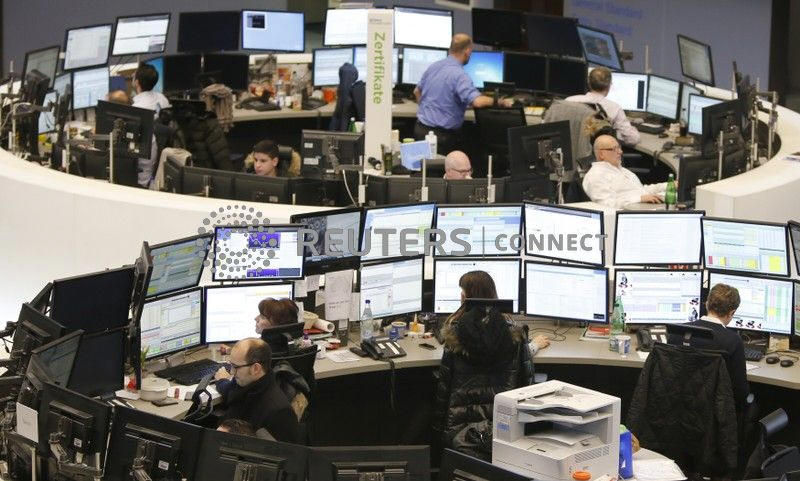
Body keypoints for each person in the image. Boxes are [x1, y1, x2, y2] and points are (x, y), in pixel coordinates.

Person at [434, 270, 538, 460]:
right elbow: (527, 383)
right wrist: (534, 346)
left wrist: (437, 431)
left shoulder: (454, 334)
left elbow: (443, 389)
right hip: (502, 426)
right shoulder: (514, 333)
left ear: (466, 298)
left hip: (459, 428)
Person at [414, 34, 512, 155]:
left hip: (420, 130)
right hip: (441, 139)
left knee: (422, 166)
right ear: (467, 51)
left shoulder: (434, 66)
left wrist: (427, 110)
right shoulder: (460, 75)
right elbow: (477, 102)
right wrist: (499, 101)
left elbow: (417, 91)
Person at [670, 283, 749, 413]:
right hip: (715, 415)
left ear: (707, 304)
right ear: (732, 312)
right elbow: (741, 392)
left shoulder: (676, 331)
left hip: (677, 412)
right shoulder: (733, 341)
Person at [213, 338, 300, 443]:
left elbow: (283, 451)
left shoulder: (278, 412)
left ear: (256, 368)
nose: (231, 372)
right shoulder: (248, 383)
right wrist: (221, 381)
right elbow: (230, 390)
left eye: (235, 367)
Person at [582, 134, 668, 209]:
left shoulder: (621, 170)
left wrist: (668, 185)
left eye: (619, 147)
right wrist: (640, 199)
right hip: (630, 214)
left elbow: (641, 190)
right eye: (614, 149)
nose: (620, 152)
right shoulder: (595, 176)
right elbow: (606, 204)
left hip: (645, 207)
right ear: (601, 154)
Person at [566, 67, 640, 146]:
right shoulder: (614, 107)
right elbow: (632, 139)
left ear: (588, 83)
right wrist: (631, 129)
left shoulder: (568, 101)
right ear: (609, 86)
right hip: (596, 152)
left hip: (568, 150)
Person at [131, 63, 170, 188]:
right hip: (157, 164)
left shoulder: (137, 108)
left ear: (137, 82)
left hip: (142, 170)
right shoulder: (162, 99)